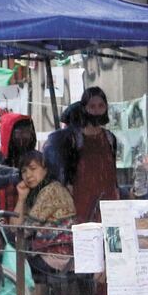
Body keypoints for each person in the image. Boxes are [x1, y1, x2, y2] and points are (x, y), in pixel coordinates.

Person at [43, 86, 118, 222]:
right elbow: (66, 175)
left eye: (101, 106)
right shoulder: (73, 139)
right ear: (84, 108)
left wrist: (116, 196)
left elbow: (113, 174)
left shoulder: (110, 138)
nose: (97, 111)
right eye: (92, 106)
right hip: (81, 203)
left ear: (106, 108)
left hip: (108, 203)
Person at [11, 151, 76, 272]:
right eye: (24, 171)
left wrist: (8, 236)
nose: (28, 175)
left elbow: (23, 231)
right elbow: (16, 228)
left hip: (56, 257)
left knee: (11, 265)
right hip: (55, 254)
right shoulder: (41, 191)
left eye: (33, 168)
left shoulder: (51, 191)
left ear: (45, 170)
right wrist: (21, 198)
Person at [0, 113, 37, 211]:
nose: (24, 136)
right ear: (8, 133)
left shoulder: (37, 160)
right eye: (19, 132)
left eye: (28, 132)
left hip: (30, 213)